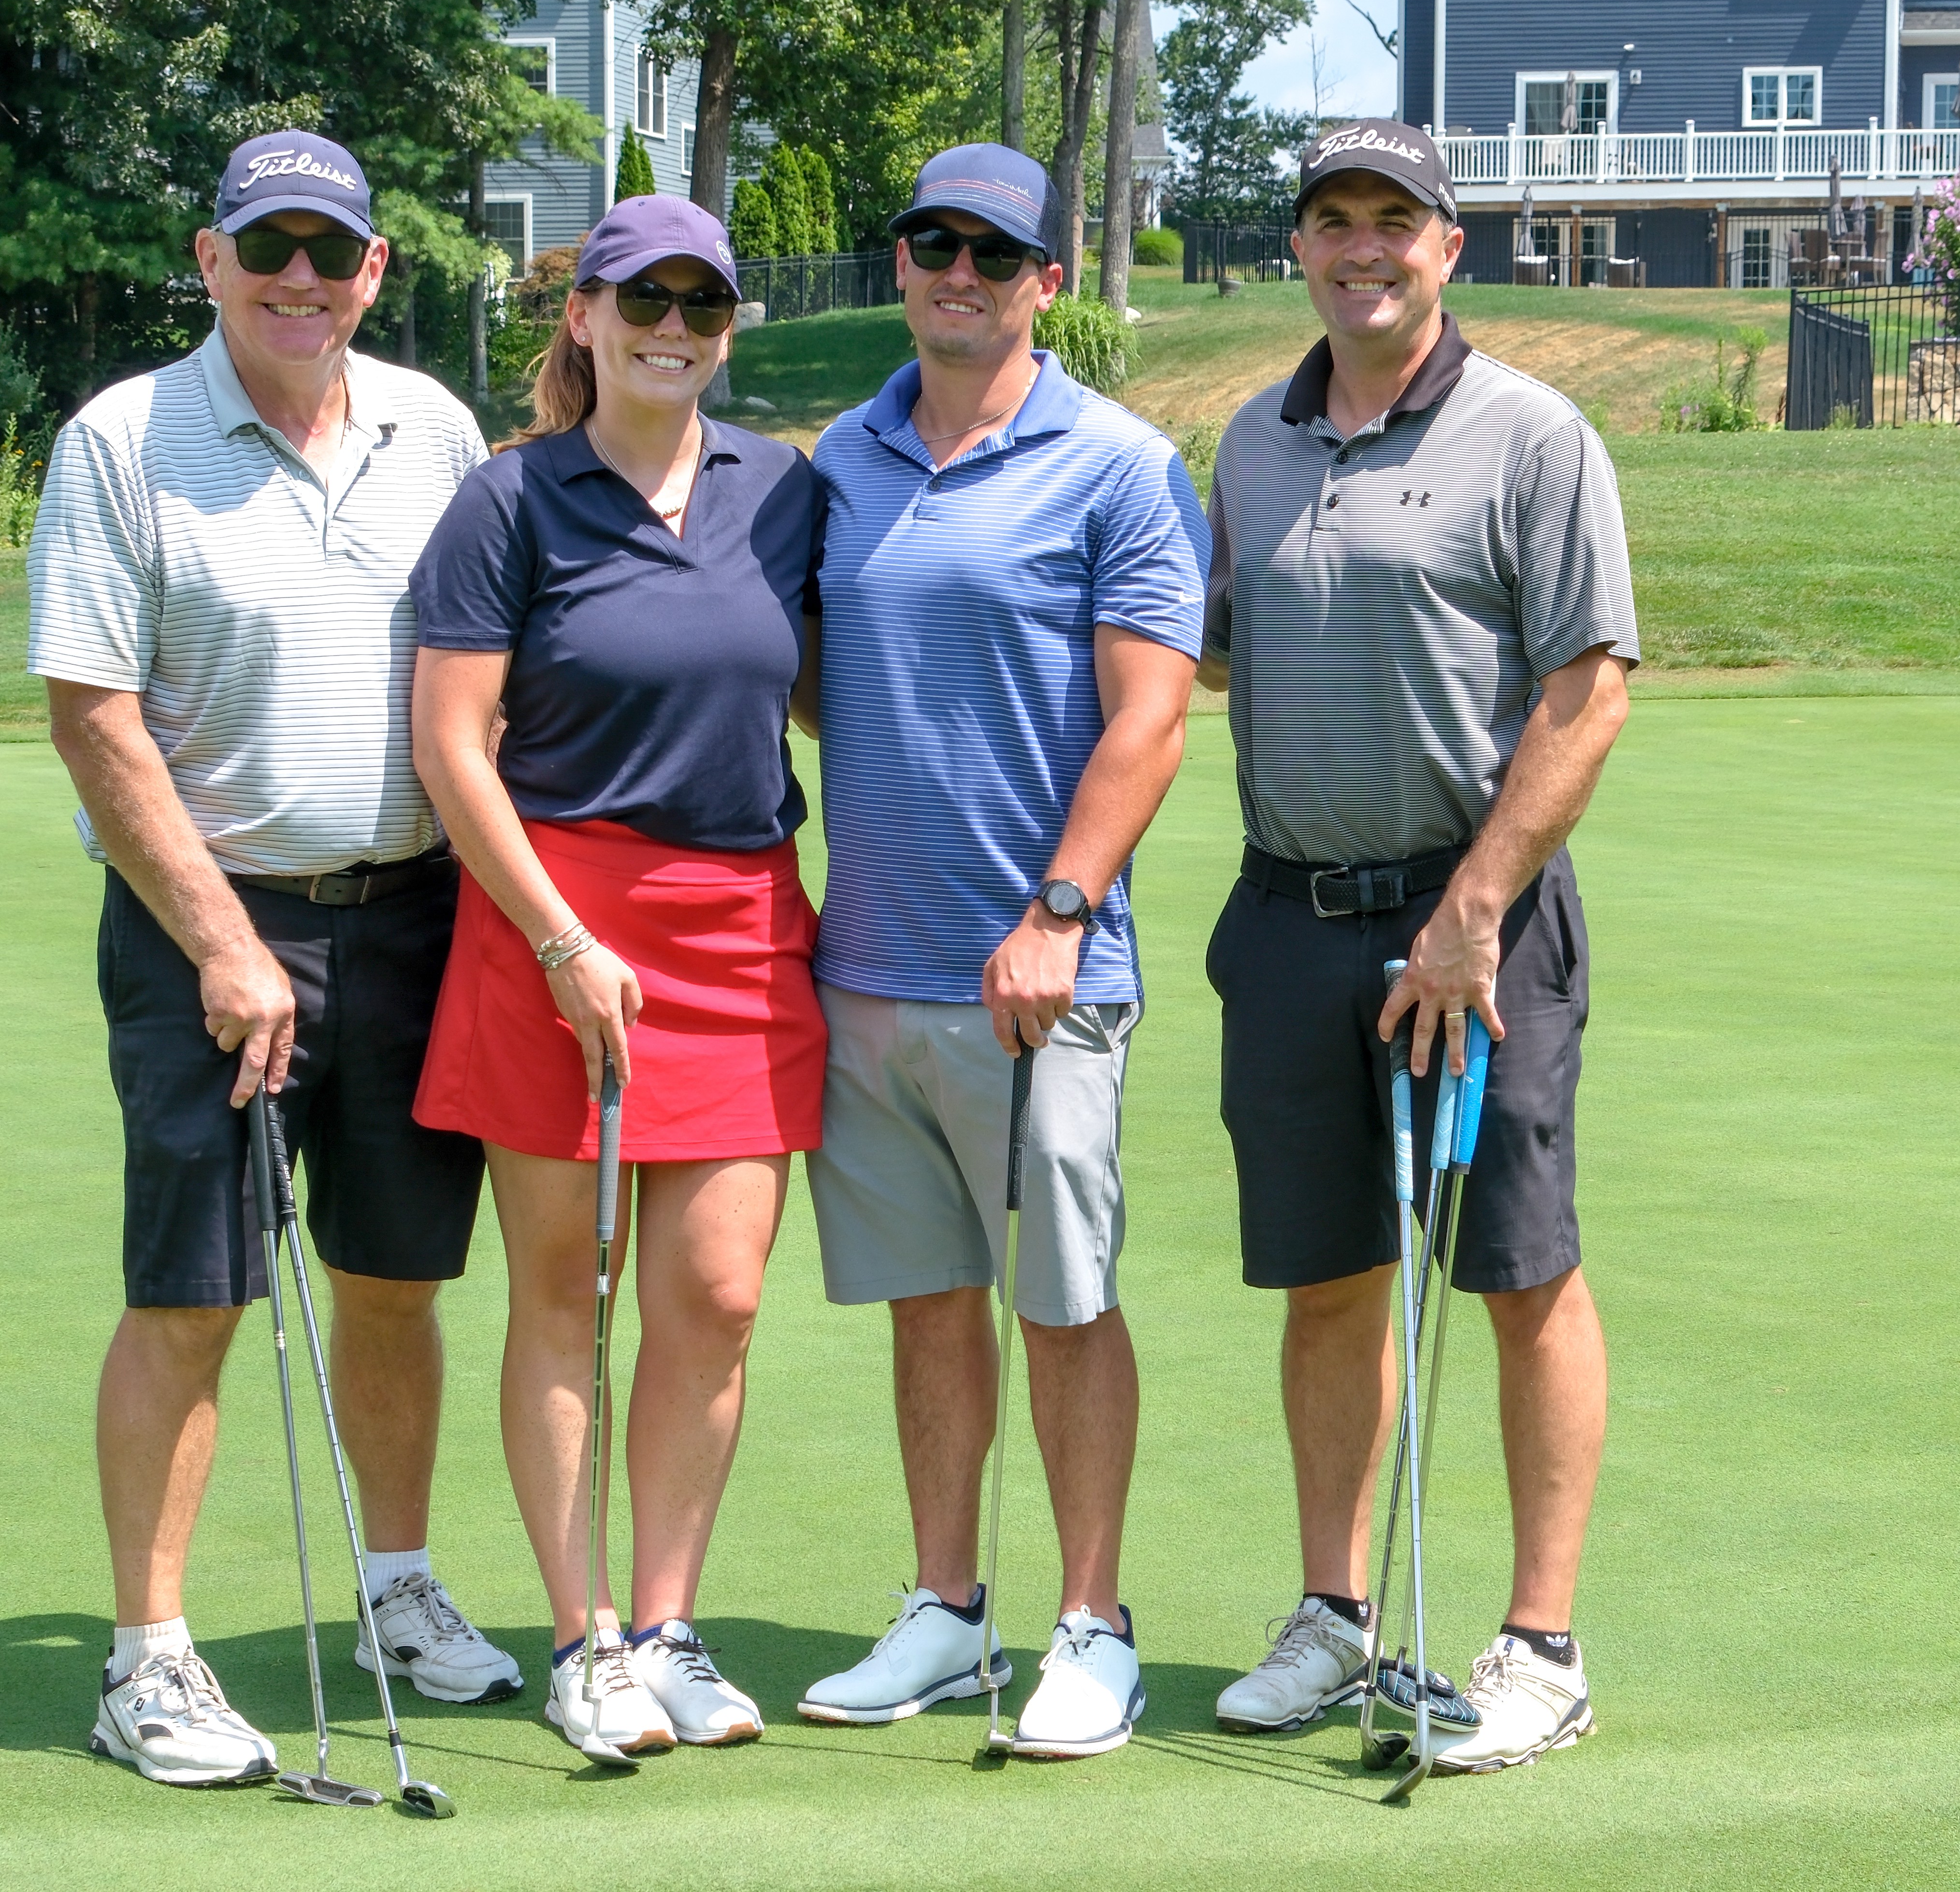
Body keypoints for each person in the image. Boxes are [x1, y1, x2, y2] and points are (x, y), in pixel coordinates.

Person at [27, 129, 522, 1789]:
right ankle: (148, 1658)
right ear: (211, 257)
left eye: (331, 253)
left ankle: (397, 1585)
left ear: (376, 270)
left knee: (397, 1276)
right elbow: (93, 717)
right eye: (269, 250)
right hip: (205, 932)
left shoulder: (436, 429)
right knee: (194, 1291)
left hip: (416, 918)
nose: (299, 280)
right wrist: (226, 942)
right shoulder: (123, 439)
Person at [1196, 119, 1636, 1774]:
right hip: (1292, 916)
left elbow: (1589, 690)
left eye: (1397, 220)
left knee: (1519, 1273)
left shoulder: (1535, 433)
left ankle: (1539, 1643)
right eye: (1333, 221)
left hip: (1480, 925)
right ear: (1300, 247)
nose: (1363, 248)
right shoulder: (1250, 438)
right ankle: (1334, 1614)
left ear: (1448, 245)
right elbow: (1204, 654)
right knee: (1328, 1279)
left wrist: (1469, 915)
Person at [795, 144, 1209, 1761]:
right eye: (931, 243)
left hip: (1044, 978)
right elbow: (826, 675)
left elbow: (1152, 716)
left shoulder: (1116, 461)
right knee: (924, 1301)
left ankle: (1093, 1624)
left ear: (1047, 278)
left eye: (995, 252)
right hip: (873, 964)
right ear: (900, 263)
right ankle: (947, 1604)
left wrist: (1060, 912)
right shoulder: (846, 455)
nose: (957, 271)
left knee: (1064, 1299)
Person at [407, 195, 824, 1761]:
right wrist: (564, 940)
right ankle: (581, 1635)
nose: (674, 326)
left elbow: (831, 696)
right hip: (553, 923)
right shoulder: (511, 499)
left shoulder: (781, 489)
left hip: (738, 922)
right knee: (569, 1297)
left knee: (713, 1297)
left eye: (702, 303)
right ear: (580, 316)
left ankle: (666, 1620)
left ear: (729, 326)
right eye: (641, 297)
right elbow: (453, 744)